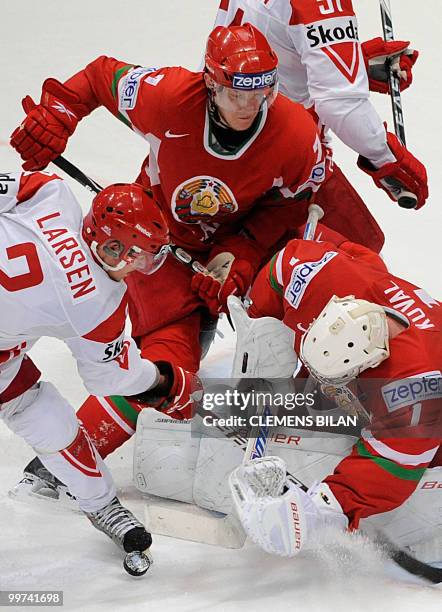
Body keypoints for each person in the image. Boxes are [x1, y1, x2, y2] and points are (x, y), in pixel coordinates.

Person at [10, 23, 329, 459]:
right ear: (211, 83)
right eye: (238, 94)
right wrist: (58, 112)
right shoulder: (170, 96)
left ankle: (68, 462)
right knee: (134, 339)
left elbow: (291, 206)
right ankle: (58, 442)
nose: (250, 107)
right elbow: (101, 76)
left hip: (222, 249)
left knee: (198, 360)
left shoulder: (295, 134)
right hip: (149, 237)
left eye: (261, 95)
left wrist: (242, 252)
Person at [0, 170, 201, 570]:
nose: (144, 266)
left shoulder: (50, 194)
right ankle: (102, 504)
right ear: (112, 249)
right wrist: (164, 382)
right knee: (44, 416)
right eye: (141, 256)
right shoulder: (95, 304)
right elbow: (109, 378)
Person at [224, 236, 441, 557]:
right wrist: (258, 326)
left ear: (367, 369)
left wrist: (317, 510)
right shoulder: (320, 281)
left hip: (427, 380)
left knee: (430, 462)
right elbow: (280, 268)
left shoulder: (417, 391)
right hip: (372, 287)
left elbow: (391, 469)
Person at [211, 0, 428, 252]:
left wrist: (351, 64)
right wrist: (388, 160)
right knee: (359, 253)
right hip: (276, 166)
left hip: (223, 137)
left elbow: (265, 54)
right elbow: (341, 106)